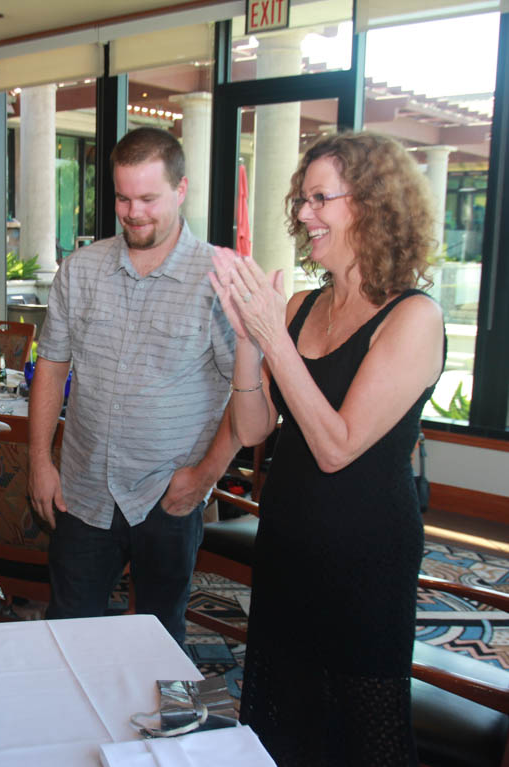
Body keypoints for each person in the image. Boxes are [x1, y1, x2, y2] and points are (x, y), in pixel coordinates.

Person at [207, 131, 444, 765]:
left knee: (364, 732)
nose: (305, 214)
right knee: (287, 720)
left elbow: (337, 446)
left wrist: (273, 340)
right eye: (302, 200)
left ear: (371, 203)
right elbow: (255, 431)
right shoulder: (301, 305)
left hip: (365, 557)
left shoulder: (412, 318)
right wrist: (247, 343)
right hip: (289, 541)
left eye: (320, 198)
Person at [27, 126, 238, 645]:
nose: (133, 212)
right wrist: (38, 462)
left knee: (158, 642)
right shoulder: (80, 271)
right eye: (123, 198)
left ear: (181, 189)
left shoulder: (220, 279)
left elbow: (249, 394)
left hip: (168, 494)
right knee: (67, 637)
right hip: (83, 492)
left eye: (148, 197)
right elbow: (51, 368)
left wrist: (206, 476)